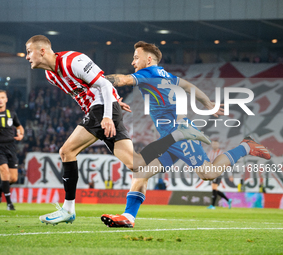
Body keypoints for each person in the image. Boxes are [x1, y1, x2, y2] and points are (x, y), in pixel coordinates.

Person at [25, 35, 210, 226]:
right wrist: (114, 102)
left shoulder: (74, 61)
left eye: (29, 51)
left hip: (101, 109)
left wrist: (107, 114)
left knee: (67, 151)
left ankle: (68, 209)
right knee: (136, 165)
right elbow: (90, 91)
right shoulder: (50, 75)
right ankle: (129, 215)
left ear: (42, 51)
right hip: (105, 107)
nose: (26, 56)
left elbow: (105, 83)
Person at [101, 41, 271, 228]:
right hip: (169, 136)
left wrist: (95, 80)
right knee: (141, 173)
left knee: (208, 172)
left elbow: (123, 80)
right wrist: (207, 104)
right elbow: (189, 87)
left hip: (178, 134)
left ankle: (246, 146)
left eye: (135, 58)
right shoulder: (167, 75)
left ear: (148, 59)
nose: (133, 62)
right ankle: (128, 217)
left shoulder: (146, 74)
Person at [206, 139, 232, 209]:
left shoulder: (221, 153)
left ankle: (213, 206)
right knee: (215, 189)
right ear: (212, 145)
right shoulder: (210, 153)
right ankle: (228, 200)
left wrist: (230, 175)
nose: (214, 145)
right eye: (213, 144)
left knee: (214, 188)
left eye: (216, 144)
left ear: (218, 145)